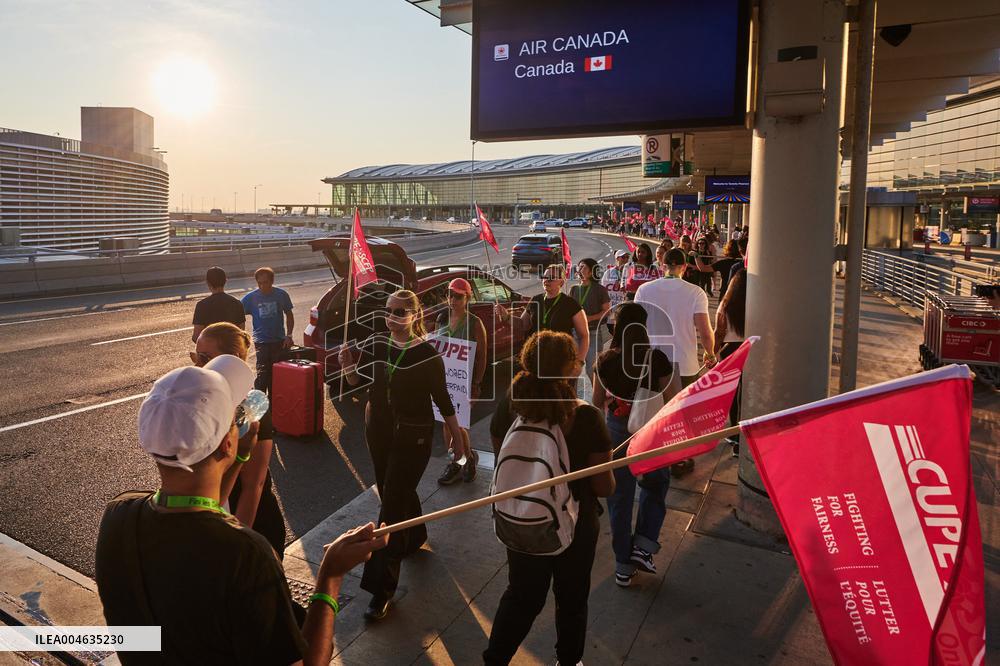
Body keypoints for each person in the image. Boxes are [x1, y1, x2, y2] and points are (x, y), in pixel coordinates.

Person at [95, 354, 387, 665]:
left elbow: (203, 517)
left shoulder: (118, 516)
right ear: (225, 444)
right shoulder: (245, 554)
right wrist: (330, 576)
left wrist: (239, 461)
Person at [485, 331, 615, 666]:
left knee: (520, 596)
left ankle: (495, 659)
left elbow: (502, 456)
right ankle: (568, 661)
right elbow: (603, 487)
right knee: (571, 600)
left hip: (522, 518)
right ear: (571, 369)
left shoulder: (511, 404)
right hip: (575, 525)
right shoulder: (586, 417)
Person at [338, 289, 466, 621]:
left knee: (390, 507)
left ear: (414, 314)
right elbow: (356, 382)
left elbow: (443, 399)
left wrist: (457, 435)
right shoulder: (376, 345)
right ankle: (416, 536)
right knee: (393, 490)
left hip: (414, 435)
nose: (392, 316)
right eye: (388, 310)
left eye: (399, 311)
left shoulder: (427, 354)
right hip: (378, 430)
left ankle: (381, 589)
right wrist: (348, 365)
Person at [593, 303, 678, 587]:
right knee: (656, 483)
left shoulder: (605, 359)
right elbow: (674, 399)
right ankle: (643, 545)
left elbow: (595, 402)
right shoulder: (657, 358)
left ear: (617, 328)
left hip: (616, 430)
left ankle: (622, 565)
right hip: (650, 430)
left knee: (619, 497)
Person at [193, 322, 286, 557]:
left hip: (249, 524)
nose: (197, 364)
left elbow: (253, 486)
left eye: (204, 357)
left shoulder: (252, 407)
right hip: (215, 515)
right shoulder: (205, 399)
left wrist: (237, 544)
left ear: (232, 359)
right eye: (195, 355)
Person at [635, 248, 716, 475]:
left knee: (655, 413)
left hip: (653, 362)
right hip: (685, 363)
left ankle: (654, 456)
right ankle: (679, 459)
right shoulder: (695, 292)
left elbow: (636, 326)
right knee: (682, 416)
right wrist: (709, 353)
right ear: (684, 266)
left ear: (663, 264)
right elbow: (704, 330)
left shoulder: (644, 290)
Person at [434, 278, 486, 486]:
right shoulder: (442, 318)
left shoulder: (474, 323)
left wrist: (477, 384)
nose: (452, 299)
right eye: (450, 294)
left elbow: (482, 355)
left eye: (457, 296)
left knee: (459, 424)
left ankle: (467, 459)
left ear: (467, 298)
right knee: (446, 424)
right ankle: (459, 461)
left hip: (463, 382)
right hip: (443, 380)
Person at [518, 264, 589, 363]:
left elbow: (584, 336)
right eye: (544, 277)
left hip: (561, 360)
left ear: (561, 282)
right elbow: (523, 325)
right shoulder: (535, 300)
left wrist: (580, 362)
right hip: (536, 359)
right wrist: (506, 316)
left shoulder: (570, 304)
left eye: (551, 278)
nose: (546, 280)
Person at [242, 267, 295, 395]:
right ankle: (259, 405)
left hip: (279, 341)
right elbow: (238, 315)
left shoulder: (281, 295)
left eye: (265, 282)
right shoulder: (250, 298)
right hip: (261, 342)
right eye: (259, 283)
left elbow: (289, 314)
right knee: (262, 376)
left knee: (276, 376)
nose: (262, 286)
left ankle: (274, 405)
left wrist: (289, 335)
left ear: (272, 281)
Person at [714, 270, 747, 457]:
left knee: (733, 395)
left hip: (730, 352)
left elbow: (718, 333)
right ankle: (746, 432)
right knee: (747, 394)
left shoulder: (725, 306)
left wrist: (713, 354)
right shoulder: (758, 304)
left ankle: (734, 434)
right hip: (750, 349)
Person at [570, 258, 611, 378]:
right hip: (575, 333)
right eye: (579, 267)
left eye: (583, 267)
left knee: (592, 369)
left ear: (591, 272)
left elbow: (607, 311)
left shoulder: (600, 289)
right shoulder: (573, 289)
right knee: (573, 369)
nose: (579, 269)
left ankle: (598, 396)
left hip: (593, 332)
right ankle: (571, 395)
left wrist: (589, 318)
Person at [191, 266, 245, 343]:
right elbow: (241, 333)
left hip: (211, 352)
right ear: (225, 281)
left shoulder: (202, 305)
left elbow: (196, 336)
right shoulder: (237, 303)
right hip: (231, 350)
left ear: (208, 283)